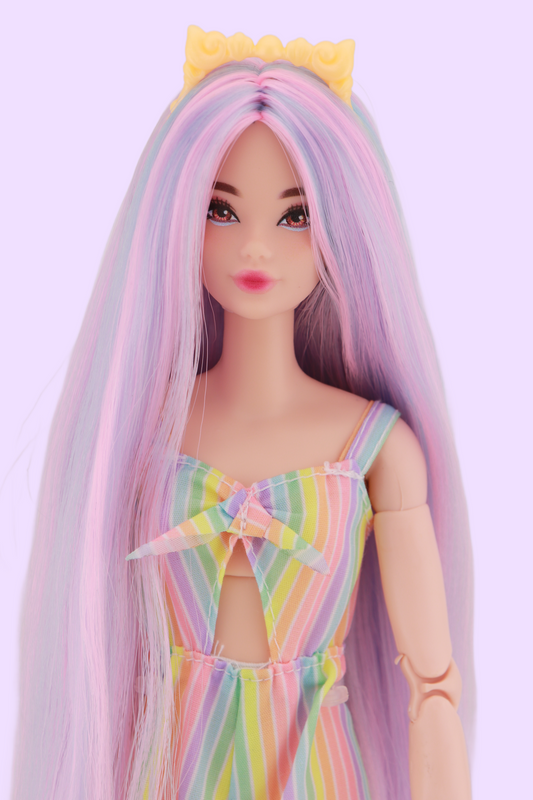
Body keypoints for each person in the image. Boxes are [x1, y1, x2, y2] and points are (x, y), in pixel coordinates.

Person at [12, 26, 474, 800]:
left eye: (294, 216)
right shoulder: (139, 433)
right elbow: (90, 649)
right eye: (221, 210)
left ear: (341, 228)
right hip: (168, 774)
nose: (255, 247)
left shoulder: (374, 449)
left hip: (316, 775)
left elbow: (432, 686)